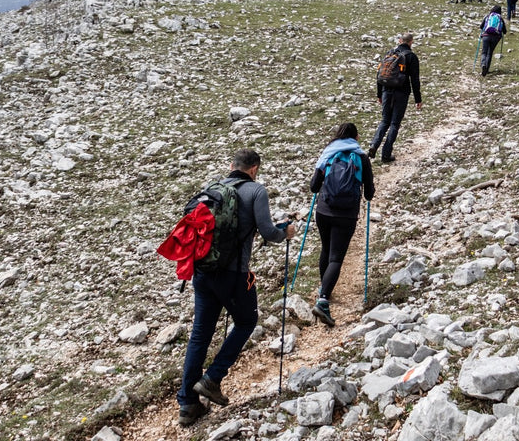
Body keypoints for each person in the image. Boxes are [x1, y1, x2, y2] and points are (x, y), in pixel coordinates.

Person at [178, 149, 297, 427]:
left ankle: (187, 404)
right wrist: (286, 232)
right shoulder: (256, 191)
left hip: (202, 271)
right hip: (232, 274)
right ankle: (213, 378)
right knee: (246, 321)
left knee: (200, 334)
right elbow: (268, 232)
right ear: (254, 168)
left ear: (232, 165)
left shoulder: (212, 188)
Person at [308, 123, 375, 326]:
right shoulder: (361, 157)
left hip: (324, 210)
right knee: (336, 257)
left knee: (326, 250)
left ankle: (324, 288)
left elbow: (313, 187)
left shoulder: (329, 153)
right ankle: (323, 300)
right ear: (356, 137)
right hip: (346, 214)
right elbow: (370, 193)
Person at [368, 32, 422, 163]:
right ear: (411, 42)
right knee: (394, 123)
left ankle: (374, 145)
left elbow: (380, 74)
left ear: (399, 40)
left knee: (385, 120)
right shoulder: (411, 57)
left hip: (386, 90)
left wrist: (379, 94)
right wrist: (418, 99)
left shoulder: (389, 53)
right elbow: (415, 80)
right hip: (401, 93)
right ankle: (386, 154)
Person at [478, 5, 507, 75]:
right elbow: (505, 31)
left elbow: (481, 26)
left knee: (484, 52)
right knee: (490, 52)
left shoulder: (488, 16)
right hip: (496, 37)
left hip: (486, 36)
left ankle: (483, 65)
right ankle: (487, 69)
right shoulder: (500, 18)